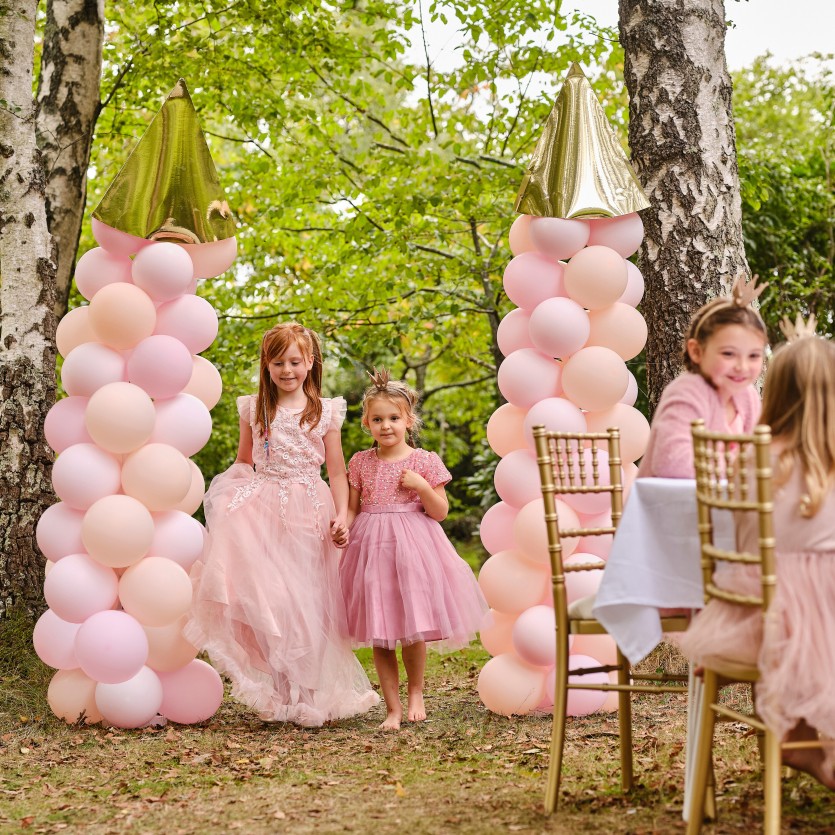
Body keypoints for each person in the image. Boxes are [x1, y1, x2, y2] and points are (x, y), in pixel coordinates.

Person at [185, 323, 379, 726]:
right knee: (270, 598)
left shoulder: (326, 411)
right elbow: (244, 461)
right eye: (278, 362)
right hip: (262, 509)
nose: (287, 369)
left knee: (306, 597)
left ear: (310, 362)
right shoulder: (253, 408)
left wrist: (341, 516)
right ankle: (281, 692)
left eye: (295, 361)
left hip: (310, 509)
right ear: (266, 365)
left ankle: (308, 694)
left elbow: (338, 473)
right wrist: (227, 500)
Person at [679, 326, 835, 789]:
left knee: (783, 633)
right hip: (817, 613)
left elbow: (745, 549)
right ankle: (809, 749)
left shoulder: (751, 457)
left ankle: (803, 745)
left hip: (764, 612)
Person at [338, 369, 487, 730]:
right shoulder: (360, 462)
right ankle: (392, 707)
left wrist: (422, 486)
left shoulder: (424, 460)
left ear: (408, 420)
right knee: (381, 627)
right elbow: (354, 506)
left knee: (413, 625)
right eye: (377, 419)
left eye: (393, 418)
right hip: (371, 549)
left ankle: (416, 691)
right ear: (366, 423)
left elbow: (440, 512)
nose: (385, 426)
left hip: (413, 549)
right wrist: (344, 523)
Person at [637, 275, 768, 479]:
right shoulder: (686, 392)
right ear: (696, 352)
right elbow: (671, 464)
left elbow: (759, 455)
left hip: (724, 504)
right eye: (728, 354)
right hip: (672, 505)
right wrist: (740, 471)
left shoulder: (747, 396)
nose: (742, 367)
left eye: (753, 356)